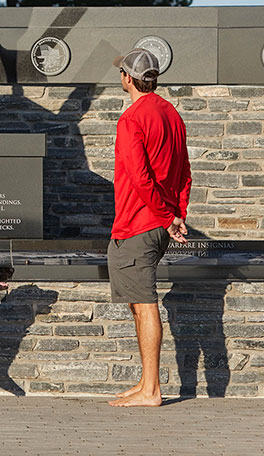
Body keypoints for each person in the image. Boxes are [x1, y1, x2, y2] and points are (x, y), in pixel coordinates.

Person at [106, 47, 191, 407]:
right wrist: (177, 213)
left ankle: (151, 391)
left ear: (128, 78)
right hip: (156, 224)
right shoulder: (171, 114)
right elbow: (185, 171)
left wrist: (166, 215)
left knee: (144, 305)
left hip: (138, 225)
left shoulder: (132, 119)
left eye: (121, 74)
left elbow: (141, 178)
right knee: (139, 305)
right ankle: (145, 383)